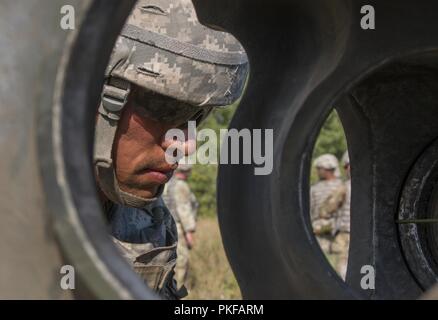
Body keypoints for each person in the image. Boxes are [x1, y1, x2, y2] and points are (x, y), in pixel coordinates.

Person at [93, 0, 248, 299]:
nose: (186, 145)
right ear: (96, 94)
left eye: (197, 116)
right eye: (166, 107)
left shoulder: (145, 216)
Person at [162, 163, 198, 291]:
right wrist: (189, 233)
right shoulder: (181, 186)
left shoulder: (166, 184)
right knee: (181, 261)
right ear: (186, 171)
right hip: (178, 228)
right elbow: (184, 210)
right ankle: (177, 291)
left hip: (163, 227)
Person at [323, 151, 351, 279]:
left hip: (346, 235)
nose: (346, 169)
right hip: (351, 234)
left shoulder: (344, 187)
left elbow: (327, 210)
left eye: (346, 166)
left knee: (342, 270)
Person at [310, 154, 343, 254]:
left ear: (327, 169)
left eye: (320, 168)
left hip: (337, 231)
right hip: (318, 231)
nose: (318, 171)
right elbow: (311, 209)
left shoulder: (341, 186)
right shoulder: (314, 188)